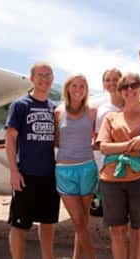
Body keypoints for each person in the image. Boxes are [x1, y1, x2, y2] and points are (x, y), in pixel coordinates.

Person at [97, 73, 140, 259]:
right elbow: (103, 147)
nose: (129, 90)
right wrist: (131, 145)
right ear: (120, 92)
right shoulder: (111, 118)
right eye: (124, 87)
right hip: (112, 180)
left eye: (134, 85)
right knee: (117, 231)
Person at [5, 62, 60, 259]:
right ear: (32, 78)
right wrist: (13, 171)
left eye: (48, 75)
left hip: (50, 175)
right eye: (40, 75)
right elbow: (10, 139)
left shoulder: (56, 109)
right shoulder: (20, 105)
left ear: (53, 78)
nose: (45, 79)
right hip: (26, 174)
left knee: (48, 223)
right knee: (20, 225)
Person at [54, 74, 98, 259]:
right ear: (68, 88)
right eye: (74, 85)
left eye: (82, 86)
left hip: (87, 168)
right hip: (64, 170)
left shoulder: (92, 112)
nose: (78, 89)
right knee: (78, 221)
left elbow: (97, 138)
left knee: (83, 222)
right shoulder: (58, 112)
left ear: (86, 90)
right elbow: (56, 141)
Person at [92, 68, 123, 216]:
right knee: (114, 213)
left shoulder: (132, 105)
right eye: (108, 80)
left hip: (133, 164)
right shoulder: (102, 111)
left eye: (115, 79)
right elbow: (99, 141)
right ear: (103, 84)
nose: (112, 83)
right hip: (110, 166)